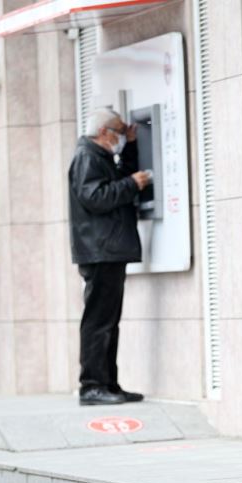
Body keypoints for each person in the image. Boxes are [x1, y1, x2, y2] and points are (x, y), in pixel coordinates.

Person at [68, 108, 151, 406]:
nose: (120, 136)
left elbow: (113, 182)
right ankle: (92, 386)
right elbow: (95, 197)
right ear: (103, 132)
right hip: (100, 250)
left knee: (108, 322)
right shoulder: (87, 156)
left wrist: (129, 146)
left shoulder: (98, 156)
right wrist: (133, 184)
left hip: (107, 249)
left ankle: (108, 384)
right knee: (99, 322)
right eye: (118, 131)